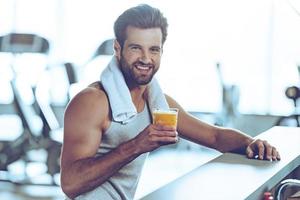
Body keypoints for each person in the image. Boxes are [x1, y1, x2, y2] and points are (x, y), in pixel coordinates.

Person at [60, 4, 280, 200]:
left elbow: (214, 135)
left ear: (161, 52)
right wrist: (136, 146)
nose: (146, 59)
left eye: (153, 49)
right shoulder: (92, 101)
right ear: (118, 49)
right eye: (136, 48)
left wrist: (252, 143)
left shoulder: (156, 103)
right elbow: (70, 185)